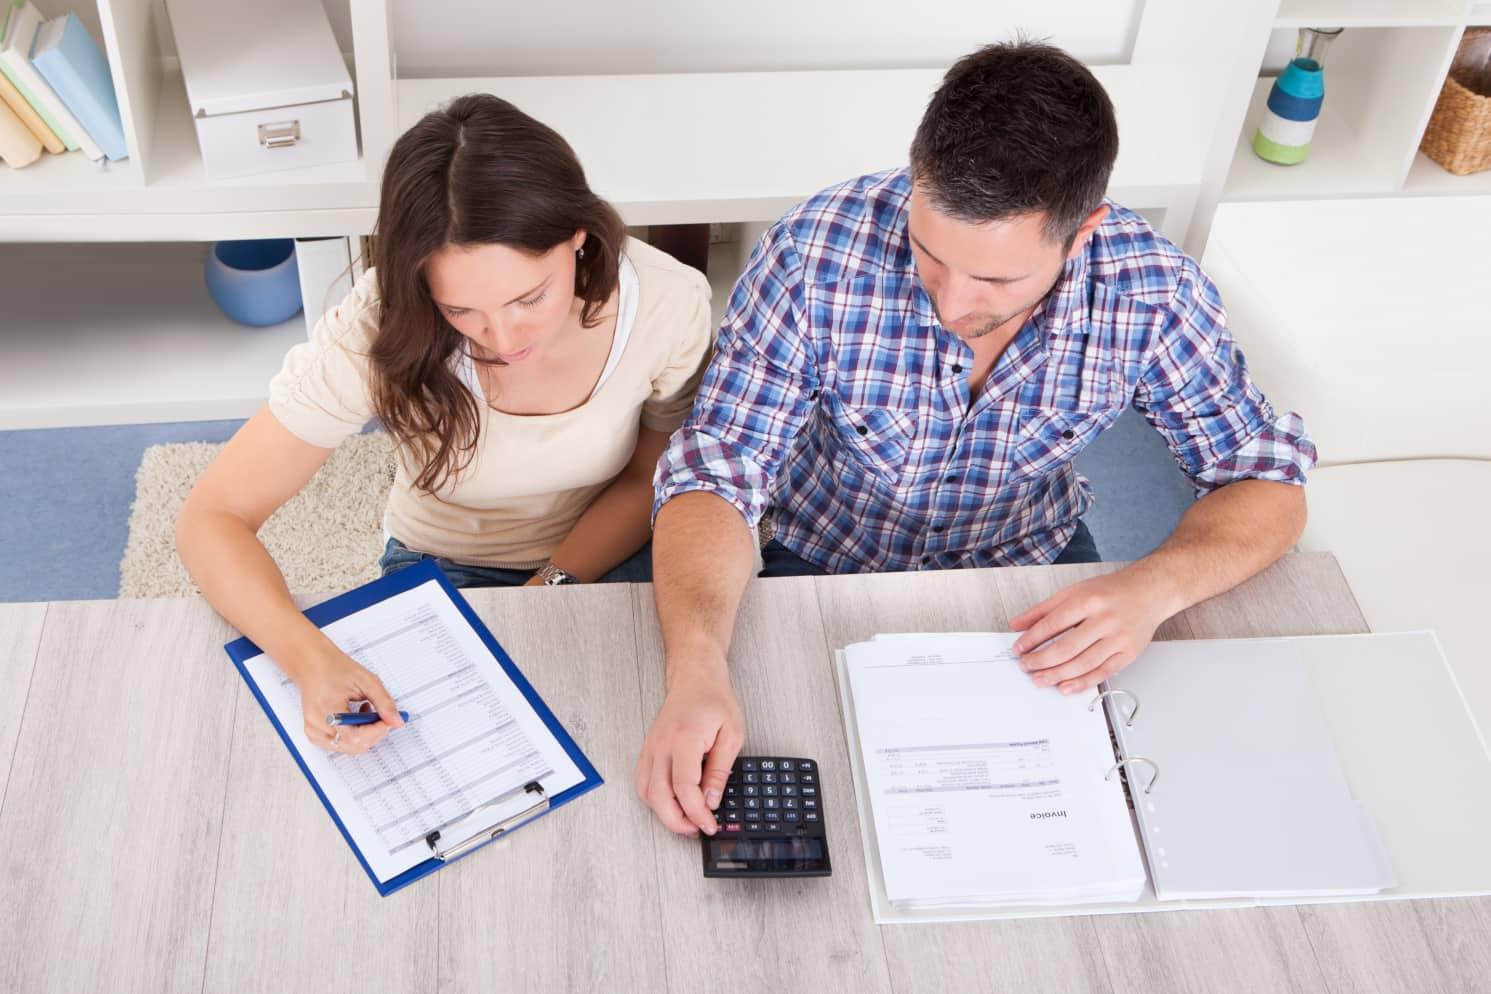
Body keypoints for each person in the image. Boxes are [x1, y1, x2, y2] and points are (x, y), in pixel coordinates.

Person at [634, 41, 1316, 836]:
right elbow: (717, 469)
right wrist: (694, 666)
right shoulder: (812, 253)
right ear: (917, 176)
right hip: (817, 548)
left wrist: (1151, 588)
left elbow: (1264, 480)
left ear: (1082, 230)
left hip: (1031, 561)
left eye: (995, 280)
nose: (953, 301)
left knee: (1114, 812)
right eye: (929, 254)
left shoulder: (1153, 290)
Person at [177, 94, 713, 757]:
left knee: (673, 736)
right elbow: (213, 516)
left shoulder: (668, 302)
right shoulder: (377, 325)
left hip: (610, 547)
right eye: (460, 309)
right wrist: (309, 657)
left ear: (579, 239)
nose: (503, 336)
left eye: (529, 297)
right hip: (449, 563)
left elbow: (651, 475)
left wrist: (549, 586)